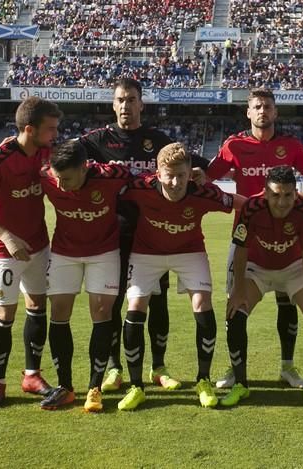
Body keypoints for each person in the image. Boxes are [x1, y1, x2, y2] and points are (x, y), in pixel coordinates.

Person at [80, 78, 208, 393]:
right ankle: (114, 368)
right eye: (120, 100)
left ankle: (158, 367)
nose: (126, 106)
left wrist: (201, 173)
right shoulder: (97, 140)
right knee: (114, 303)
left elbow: (195, 163)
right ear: (113, 104)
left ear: (141, 104)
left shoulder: (157, 141)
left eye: (132, 100)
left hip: (152, 237)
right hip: (113, 236)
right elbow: (63, 155)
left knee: (157, 302)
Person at [207, 88, 303, 390]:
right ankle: (236, 369)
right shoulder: (233, 145)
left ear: (276, 112)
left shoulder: (290, 145)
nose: (262, 111)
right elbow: (208, 179)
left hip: (287, 240)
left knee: (288, 305)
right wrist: (242, 203)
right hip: (247, 241)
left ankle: (287, 368)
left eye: (268, 106)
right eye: (257, 106)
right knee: (235, 305)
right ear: (248, 112)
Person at [116, 143, 244, 410]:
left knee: (202, 304)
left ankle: (203, 380)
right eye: (169, 175)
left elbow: (241, 203)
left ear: (191, 173)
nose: (175, 183)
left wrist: (276, 206)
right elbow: (107, 190)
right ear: (158, 173)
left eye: (181, 176)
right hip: (146, 253)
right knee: (136, 306)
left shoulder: (203, 192)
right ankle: (136, 385)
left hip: (189, 251)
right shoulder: (139, 187)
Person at [0, 97, 62, 409]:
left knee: (38, 306)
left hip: (38, 243)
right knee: (4, 312)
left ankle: (32, 375)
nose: (55, 134)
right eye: (50, 129)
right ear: (29, 129)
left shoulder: (48, 152)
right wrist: (7, 236)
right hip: (4, 249)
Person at [221, 166, 303, 408]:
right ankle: (240, 384)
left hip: (293, 268)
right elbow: (241, 249)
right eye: (276, 195)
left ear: (296, 192)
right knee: (236, 315)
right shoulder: (251, 208)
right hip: (257, 267)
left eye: (288, 195)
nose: (282, 202)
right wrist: (237, 289)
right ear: (265, 193)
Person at [38, 140, 131, 412]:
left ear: (84, 167)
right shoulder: (48, 177)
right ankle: (64, 387)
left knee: (101, 312)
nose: (61, 185)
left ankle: (95, 388)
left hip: (104, 253)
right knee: (58, 311)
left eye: (66, 179)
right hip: (64, 252)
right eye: (57, 179)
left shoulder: (111, 176)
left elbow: (142, 179)